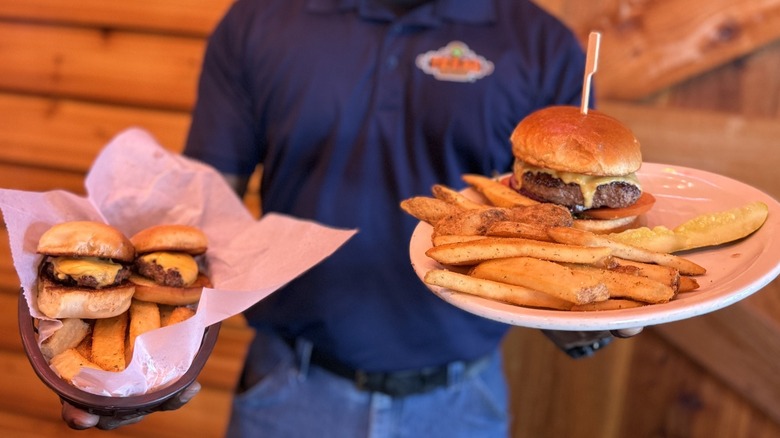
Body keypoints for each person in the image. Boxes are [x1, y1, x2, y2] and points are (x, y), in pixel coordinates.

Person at [62, 0, 641, 434]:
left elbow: (564, 223)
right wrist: (139, 364)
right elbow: (202, 209)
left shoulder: (539, 43)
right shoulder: (260, 20)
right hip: (287, 392)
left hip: (462, 402)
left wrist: (581, 313)